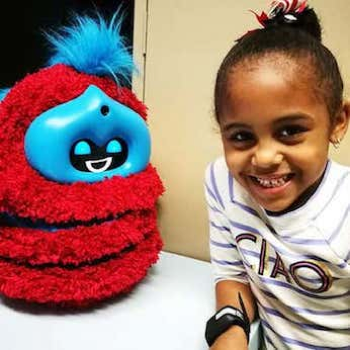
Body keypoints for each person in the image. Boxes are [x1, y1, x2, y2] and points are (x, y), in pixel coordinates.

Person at [204, 0, 350, 349]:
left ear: (338, 122)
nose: (265, 158)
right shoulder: (223, 182)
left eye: (290, 131)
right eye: (241, 136)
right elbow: (233, 277)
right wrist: (231, 334)